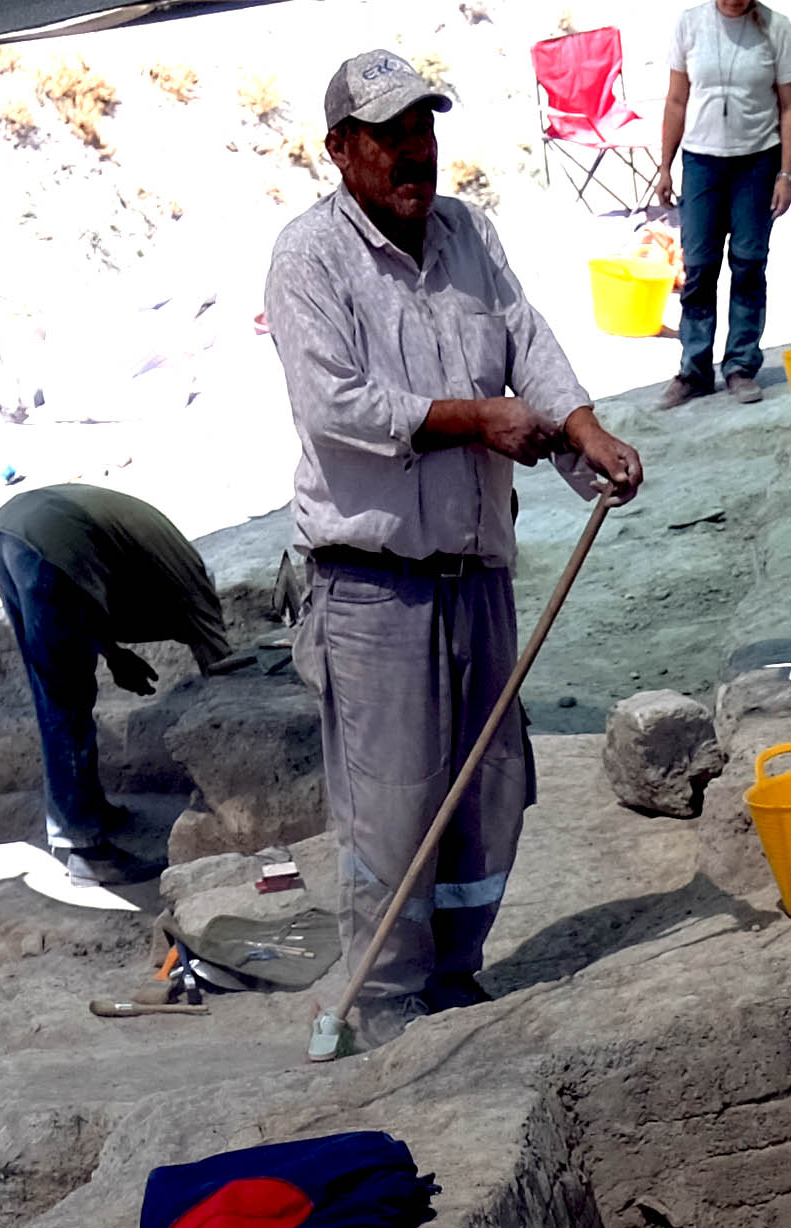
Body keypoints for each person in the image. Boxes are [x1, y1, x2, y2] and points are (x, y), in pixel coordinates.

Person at [267, 47, 649, 1025]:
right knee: (393, 815)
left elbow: (526, 340)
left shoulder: (468, 233)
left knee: (487, 793)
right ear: (341, 149)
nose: (412, 153)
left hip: (476, 568)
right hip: (372, 585)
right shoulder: (309, 257)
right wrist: (477, 420)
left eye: (423, 130)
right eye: (389, 136)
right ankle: (386, 1010)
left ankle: (452, 974)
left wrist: (585, 431)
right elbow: (337, 406)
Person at [0, 483, 239, 889]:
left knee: (56, 688)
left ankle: (87, 810)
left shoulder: (158, 562)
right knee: (65, 700)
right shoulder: (192, 586)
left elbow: (80, 599)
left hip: (9, 533)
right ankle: (87, 852)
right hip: (50, 545)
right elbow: (220, 664)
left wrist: (114, 655)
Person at [658, 0, 791, 407]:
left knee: (748, 261)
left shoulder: (776, 28)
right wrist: (665, 166)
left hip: (757, 161)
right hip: (702, 161)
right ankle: (694, 369)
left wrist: (786, 175)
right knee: (701, 266)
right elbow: (676, 100)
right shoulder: (690, 24)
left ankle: (740, 365)